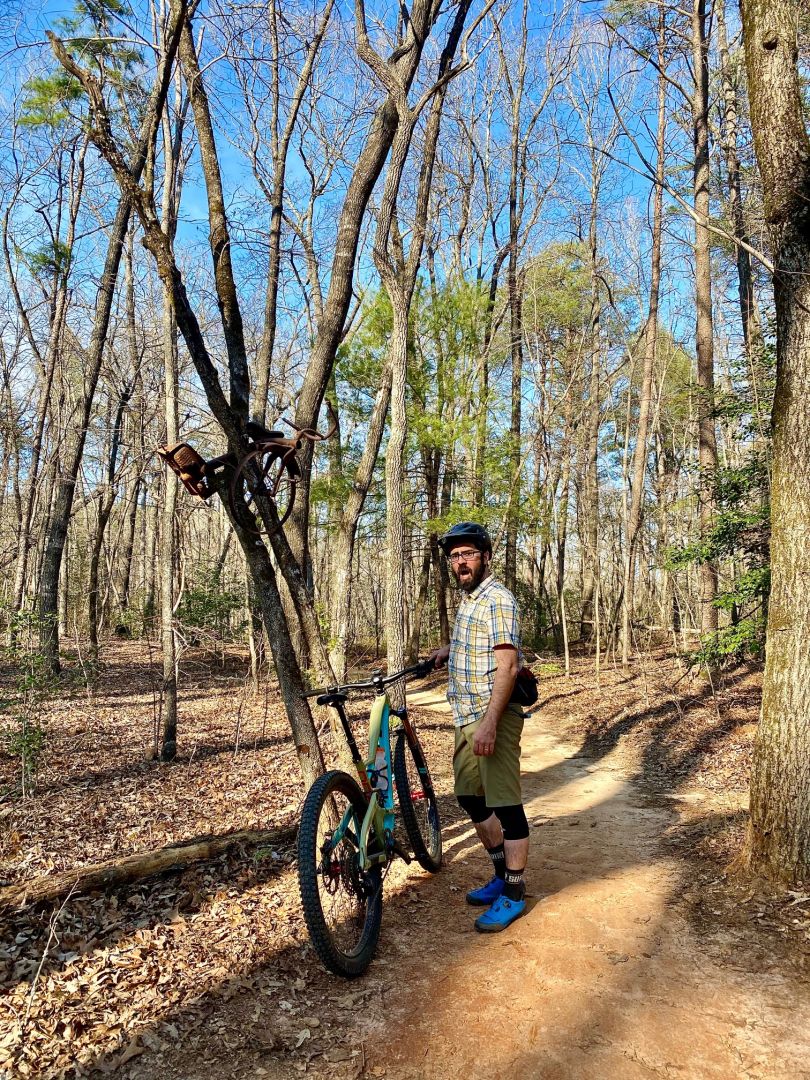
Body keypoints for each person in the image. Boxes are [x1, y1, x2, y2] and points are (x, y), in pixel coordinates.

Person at [430, 522, 529, 932]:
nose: (460, 562)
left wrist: (489, 725)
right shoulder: (470, 600)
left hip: (493, 716)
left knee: (505, 806)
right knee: (471, 798)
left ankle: (515, 893)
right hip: (465, 715)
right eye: (454, 557)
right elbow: (481, 644)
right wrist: (449, 648)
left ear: (486, 556)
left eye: (467, 554)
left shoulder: (498, 601)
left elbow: (507, 666)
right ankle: (498, 875)